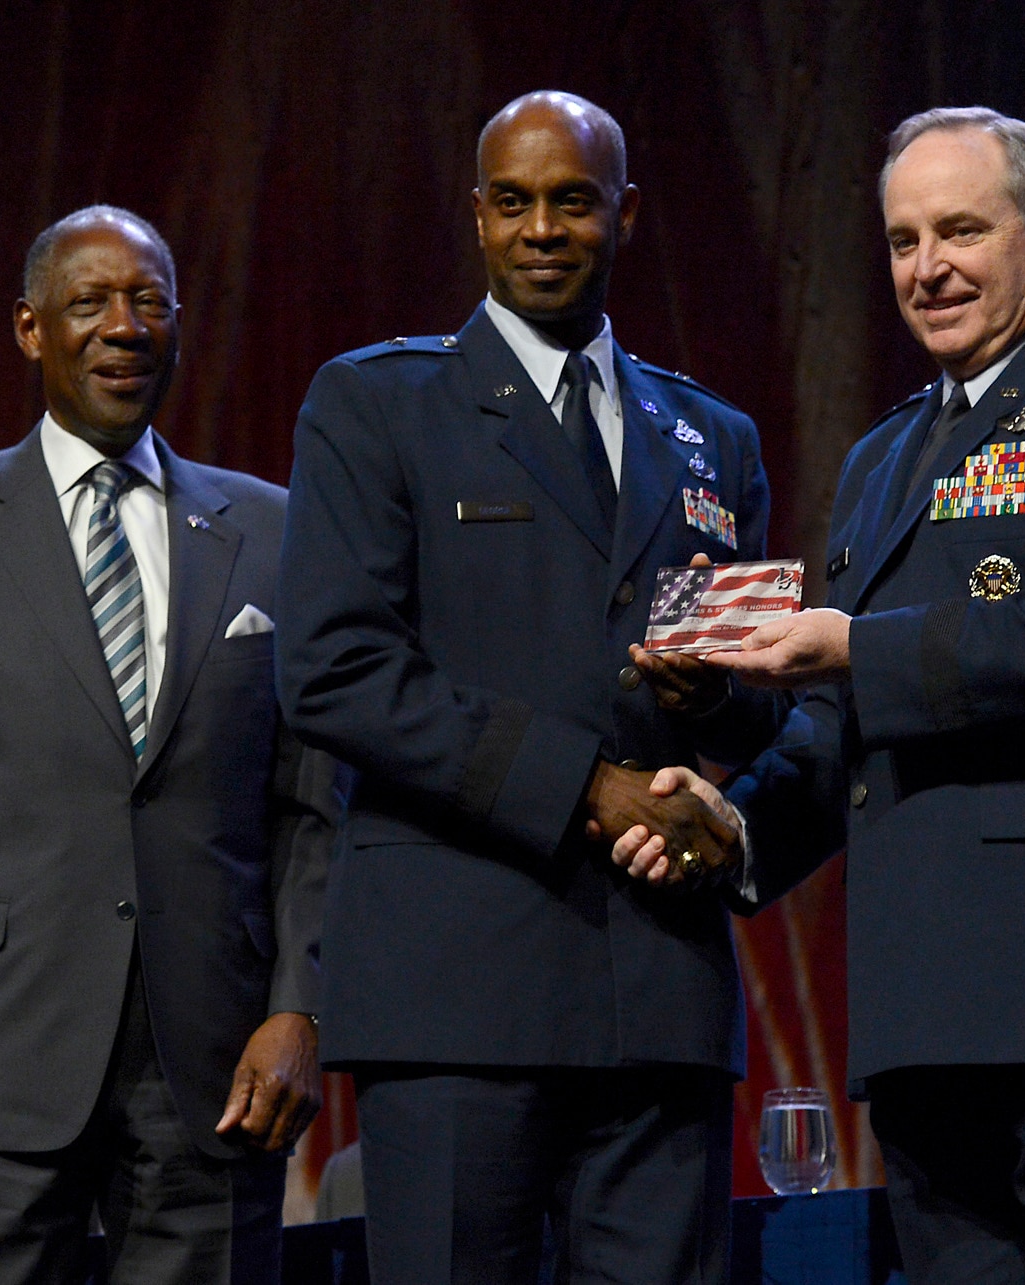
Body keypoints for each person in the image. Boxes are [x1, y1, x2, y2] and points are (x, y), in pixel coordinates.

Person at [612, 107, 1025, 1283]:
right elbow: (848, 718)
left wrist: (849, 651)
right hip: (931, 1028)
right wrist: (736, 826)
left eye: (961, 230)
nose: (927, 269)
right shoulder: (884, 457)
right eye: (902, 239)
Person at [274, 90, 780, 1283]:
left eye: (572, 202)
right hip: (457, 991)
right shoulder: (375, 403)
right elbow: (335, 671)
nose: (542, 228)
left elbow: (763, 703)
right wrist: (585, 789)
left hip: (658, 985)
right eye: (514, 203)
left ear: (626, 215)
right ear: (478, 217)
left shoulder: (713, 435)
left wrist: (710, 701)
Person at [0, 206, 332, 1284]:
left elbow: (312, 811)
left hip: (214, 1067)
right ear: (28, 328)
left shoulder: (274, 529)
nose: (122, 325)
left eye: (148, 301)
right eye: (89, 301)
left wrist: (300, 1007)